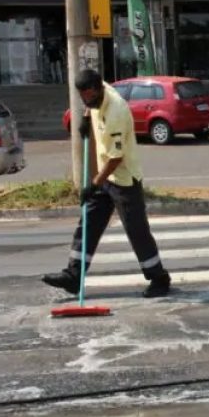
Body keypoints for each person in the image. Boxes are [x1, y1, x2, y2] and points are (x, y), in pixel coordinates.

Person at [42, 69, 172, 298]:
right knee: (89, 222)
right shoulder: (94, 94)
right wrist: (84, 118)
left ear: (98, 91)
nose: (87, 101)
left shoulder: (117, 111)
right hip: (105, 176)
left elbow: (116, 158)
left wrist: (93, 183)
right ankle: (74, 276)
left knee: (136, 230)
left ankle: (159, 278)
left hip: (123, 178)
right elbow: (88, 105)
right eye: (83, 98)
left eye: (89, 98)